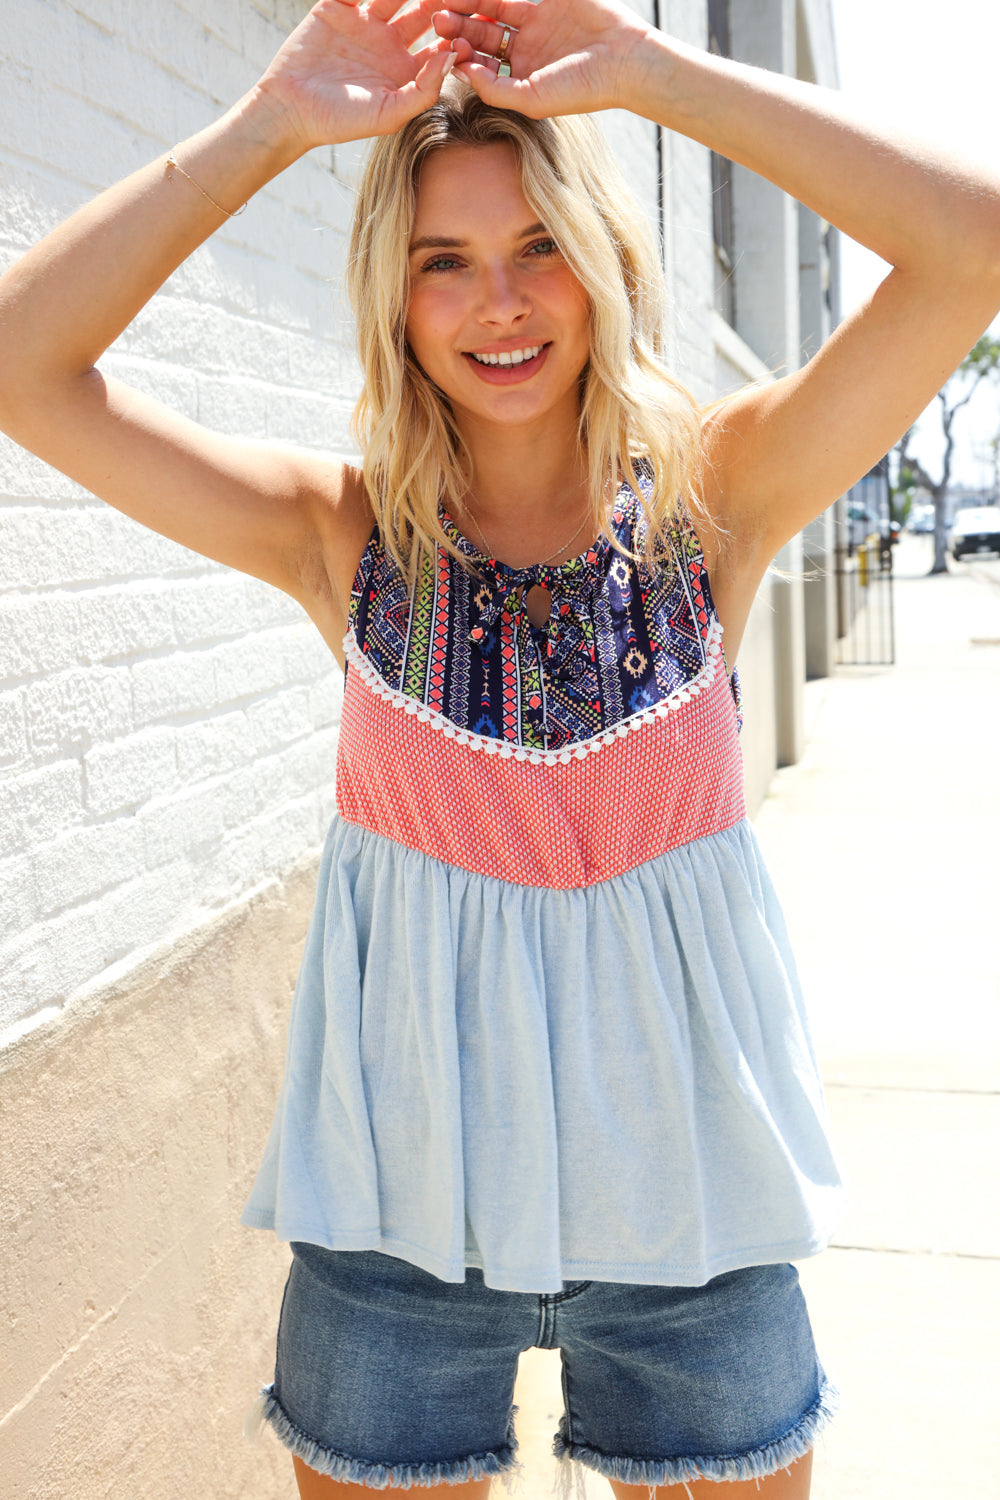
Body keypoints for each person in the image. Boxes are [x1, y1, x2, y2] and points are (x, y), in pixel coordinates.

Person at [1, 2, 997, 1496]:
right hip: (398, 1237)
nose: (501, 303)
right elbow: (24, 370)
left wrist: (657, 72)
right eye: (443, 263)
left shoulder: (710, 505)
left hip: (698, 1237)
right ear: (394, 302)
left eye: (538, 245)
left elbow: (971, 246)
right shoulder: (337, 535)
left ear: (600, 263)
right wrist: (270, 124)